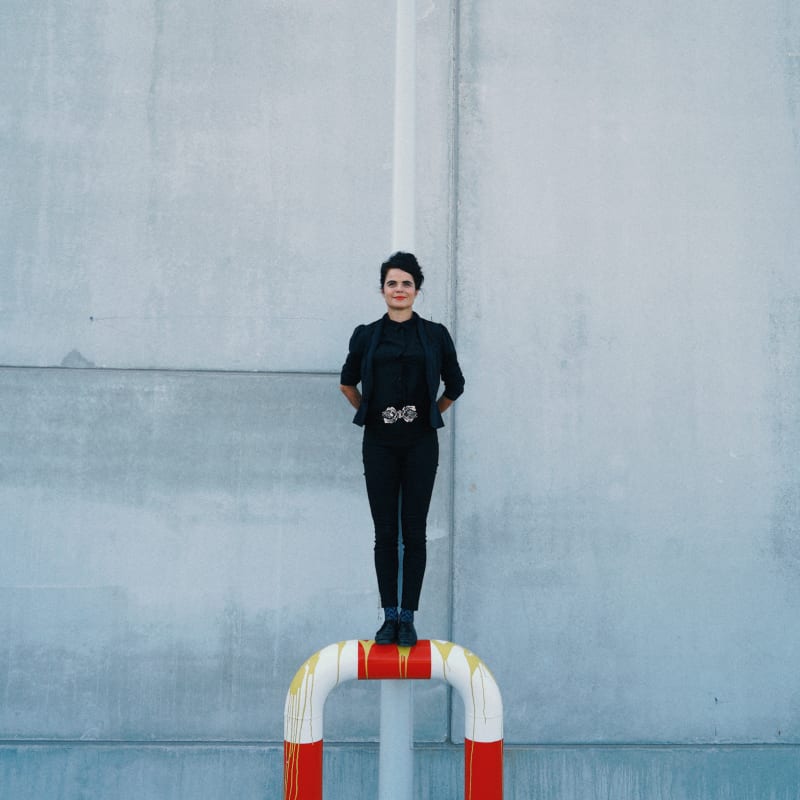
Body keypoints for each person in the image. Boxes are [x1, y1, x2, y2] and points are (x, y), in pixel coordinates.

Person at [340, 252, 465, 646]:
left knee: (414, 532)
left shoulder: (435, 334)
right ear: (382, 290)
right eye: (392, 283)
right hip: (378, 443)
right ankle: (387, 616)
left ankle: (408, 617)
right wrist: (372, 414)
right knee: (384, 533)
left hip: (420, 444)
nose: (399, 289)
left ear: (417, 291)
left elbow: (455, 384)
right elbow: (347, 383)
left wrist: (431, 413)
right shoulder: (365, 335)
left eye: (406, 283)